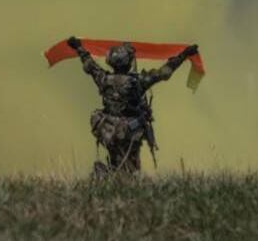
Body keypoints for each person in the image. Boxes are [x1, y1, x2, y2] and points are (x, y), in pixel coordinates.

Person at [66, 36, 198, 174]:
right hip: (129, 132)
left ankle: (107, 175)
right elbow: (164, 72)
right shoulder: (137, 82)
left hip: (107, 130)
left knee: (116, 161)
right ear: (128, 62)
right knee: (129, 170)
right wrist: (184, 55)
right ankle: (109, 176)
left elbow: (89, 65)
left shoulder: (103, 79)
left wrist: (78, 47)